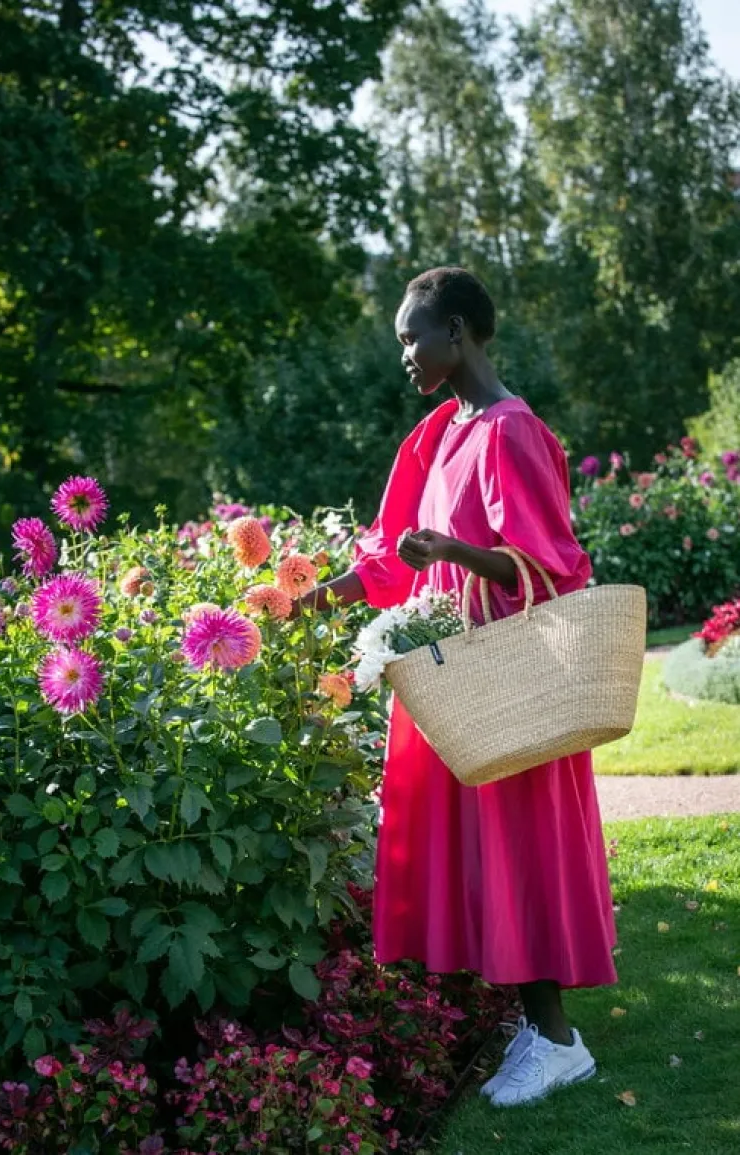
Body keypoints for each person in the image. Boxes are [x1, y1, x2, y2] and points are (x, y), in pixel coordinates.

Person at [295, 267, 616, 1108]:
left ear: (461, 333)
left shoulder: (510, 432)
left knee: (517, 854)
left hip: (505, 684)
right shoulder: (440, 433)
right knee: (480, 859)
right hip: (452, 686)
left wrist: (451, 554)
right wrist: (312, 600)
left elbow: (552, 568)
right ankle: (533, 1030)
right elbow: (392, 551)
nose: (405, 352)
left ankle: (557, 1042)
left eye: (413, 335)